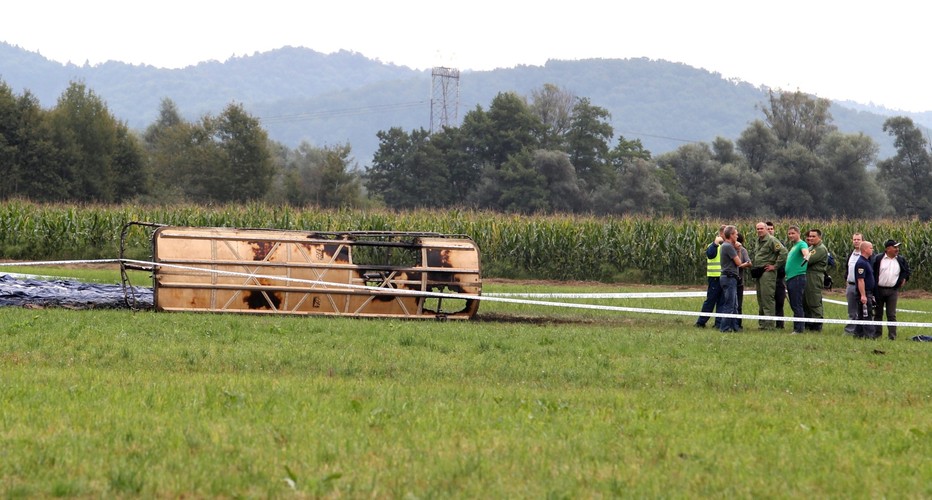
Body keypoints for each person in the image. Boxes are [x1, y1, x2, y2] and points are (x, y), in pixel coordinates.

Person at [872, 239, 911, 340]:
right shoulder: (878, 259)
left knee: (891, 315)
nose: (897, 249)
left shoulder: (900, 260)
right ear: (888, 249)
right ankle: (877, 335)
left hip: (892, 291)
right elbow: (872, 272)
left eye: (897, 247)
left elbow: (906, 271)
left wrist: (904, 279)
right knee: (878, 314)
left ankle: (892, 336)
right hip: (879, 290)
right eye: (895, 247)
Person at [752, 221, 787, 330]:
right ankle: (762, 323)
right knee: (760, 298)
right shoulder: (759, 241)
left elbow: (784, 252)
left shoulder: (772, 240)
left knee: (767, 298)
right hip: (759, 271)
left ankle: (769, 324)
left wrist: (775, 266)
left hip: (767, 272)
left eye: (761, 228)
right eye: (757, 229)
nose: (759, 231)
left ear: (767, 229)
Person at [718, 225, 752, 332]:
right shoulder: (728, 246)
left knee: (734, 304)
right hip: (729, 277)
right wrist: (738, 250)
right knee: (729, 304)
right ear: (731, 235)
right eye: (736, 234)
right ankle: (725, 327)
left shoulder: (726, 246)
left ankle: (734, 326)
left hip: (730, 277)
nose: (737, 236)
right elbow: (738, 263)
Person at [695, 225, 726, 329]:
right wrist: (715, 244)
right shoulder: (713, 246)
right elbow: (710, 255)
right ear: (721, 234)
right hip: (715, 278)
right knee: (711, 301)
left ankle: (718, 323)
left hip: (724, 277)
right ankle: (701, 322)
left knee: (722, 302)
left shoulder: (727, 246)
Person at [784, 225, 810, 333]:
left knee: (797, 303)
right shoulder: (793, 246)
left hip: (797, 278)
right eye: (789, 234)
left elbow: (806, 252)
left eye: (793, 233)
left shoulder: (802, 244)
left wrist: (806, 256)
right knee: (794, 303)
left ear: (798, 233)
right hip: (790, 278)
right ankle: (797, 326)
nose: (790, 235)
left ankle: (799, 329)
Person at [803, 228, 829, 331]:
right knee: (805, 300)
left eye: (813, 236)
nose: (811, 238)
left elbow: (807, 260)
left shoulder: (820, 249)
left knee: (814, 300)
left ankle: (817, 324)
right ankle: (808, 323)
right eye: (809, 236)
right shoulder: (811, 248)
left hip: (814, 276)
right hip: (807, 275)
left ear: (819, 237)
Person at [853, 241, 877, 339]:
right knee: (867, 315)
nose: (872, 250)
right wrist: (863, 295)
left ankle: (858, 335)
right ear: (865, 249)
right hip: (865, 292)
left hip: (869, 292)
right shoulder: (861, 263)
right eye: (871, 248)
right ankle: (870, 335)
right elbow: (860, 280)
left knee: (862, 315)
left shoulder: (867, 261)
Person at [767, 221, 787, 329]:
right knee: (767, 302)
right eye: (768, 229)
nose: (770, 230)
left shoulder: (779, 243)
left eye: (771, 229)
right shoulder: (761, 243)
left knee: (779, 301)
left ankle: (780, 324)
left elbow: (784, 256)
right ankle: (768, 324)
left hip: (778, 277)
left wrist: (776, 267)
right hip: (766, 277)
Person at [844, 232, 864, 334]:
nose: (856, 241)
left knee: (863, 310)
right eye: (854, 240)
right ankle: (850, 330)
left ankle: (862, 330)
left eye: (858, 240)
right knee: (851, 310)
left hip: (862, 286)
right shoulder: (850, 255)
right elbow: (847, 270)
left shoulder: (866, 255)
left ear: (862, 241)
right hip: (851, 285)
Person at [735, 232, 751, 329]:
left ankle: (738, 323)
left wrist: (741, 265)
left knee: (738, 304)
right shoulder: (727, 248)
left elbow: (749, 262)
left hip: (739, 280)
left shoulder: (743, 250)